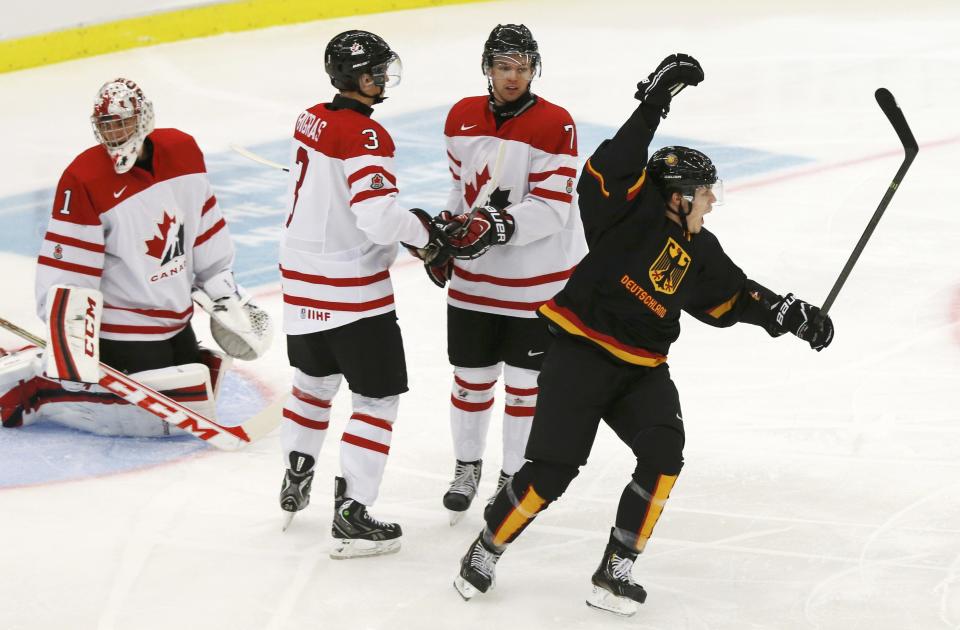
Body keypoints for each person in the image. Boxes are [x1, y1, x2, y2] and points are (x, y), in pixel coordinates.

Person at [452, 54, 835, 615]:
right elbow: (610, 165)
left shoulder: (700, 249)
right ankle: (486, 548)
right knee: (551, 475)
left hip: (642, 369)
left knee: (664, 454)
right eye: (704, 192)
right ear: (678, 194)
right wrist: (655, 101)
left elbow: (735, 297)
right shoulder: (625, 213)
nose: (710, 202)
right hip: (579, 354)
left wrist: (791, 315)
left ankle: (615, 569)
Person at [276, 30, 469, 557]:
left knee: (313, 385)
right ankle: (352, 514)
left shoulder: (311, 117)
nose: (383, 78)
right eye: (375, 71)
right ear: (354, 76)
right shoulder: (365, 137)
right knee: (376, 400)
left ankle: (296, 476)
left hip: (299, 284)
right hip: (351, 293)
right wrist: (427, 237)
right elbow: (378, 218)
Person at [0, 77, 268, 436]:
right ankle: (40, 389)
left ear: (144, 119)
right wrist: (71, 339)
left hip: (175, 318)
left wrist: (222, 291)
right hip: (122, 328)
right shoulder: (85, 178)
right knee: (156, 424)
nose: (115, 133)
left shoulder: (183, 151)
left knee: (199, 384)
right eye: (106, 126)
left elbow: (205, 227)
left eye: (123, 122)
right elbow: (67, 268)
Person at [432, 24, 584, 525]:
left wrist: (497, 225)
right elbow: (461, 191)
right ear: (488, 69)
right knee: (471, 382)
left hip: (535, 283)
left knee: (524, 387)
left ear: (534, 69)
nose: (513, 76)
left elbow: (554, 208)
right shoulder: (460, 117)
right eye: (503, 66)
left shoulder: (555, 123)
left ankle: (512, 477)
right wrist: (443, 236)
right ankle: (467, 467)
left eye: (522, 67)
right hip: (474, 285)